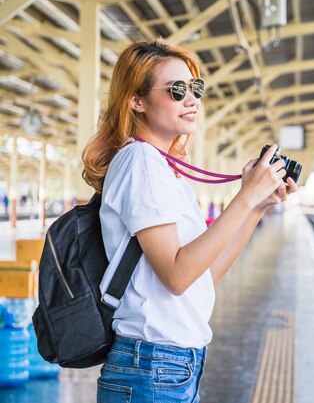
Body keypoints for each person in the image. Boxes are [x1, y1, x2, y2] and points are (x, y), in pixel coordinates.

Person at [82, 39, 297, 403]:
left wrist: (256, 205)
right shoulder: (141, 162)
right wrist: (244, 197)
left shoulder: (163, 170)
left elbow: (203, 276)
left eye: (196, 88)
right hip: (152, 367)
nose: (192, 99)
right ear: (136, 100)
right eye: (177, 90)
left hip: (173, 367)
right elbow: (177, 276)